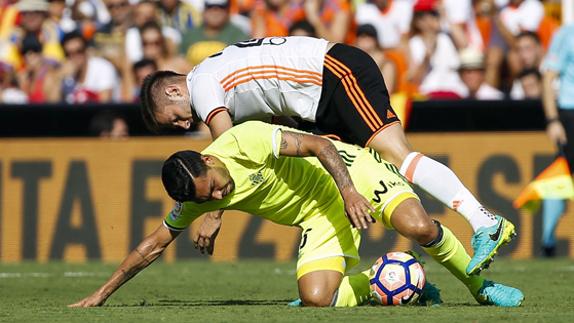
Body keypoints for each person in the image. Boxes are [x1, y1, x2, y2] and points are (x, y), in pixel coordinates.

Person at [139, 36, 516, 276]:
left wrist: (214, 215)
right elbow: (271, 113)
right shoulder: (218, 75)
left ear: (173, 91)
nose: (180, 125)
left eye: (172, 119)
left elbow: (225, 152)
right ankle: (445, 263)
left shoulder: (201, 86)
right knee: (382, 165)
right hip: (320, 98)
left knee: (398, 154)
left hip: (335, 73)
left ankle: (484, 221)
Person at [69, 121, 524, 308]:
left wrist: (348, 191)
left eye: (218, 189)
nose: (220, 197)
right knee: (316, 299)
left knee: (417, 225)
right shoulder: (199, 194)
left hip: (349, 172)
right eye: (210, 200)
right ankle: (406, 280)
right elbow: (152, 246)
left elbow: (319, 144)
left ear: (208, 159)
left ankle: (480, 287)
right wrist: (101, 294)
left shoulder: (245, 139)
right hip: (316, 214)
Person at [540, 23, 574, 257]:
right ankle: (548, 240)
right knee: (561, 173)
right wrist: (552, 119)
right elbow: (548, 77)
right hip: (570, 111)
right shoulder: (566, 34)